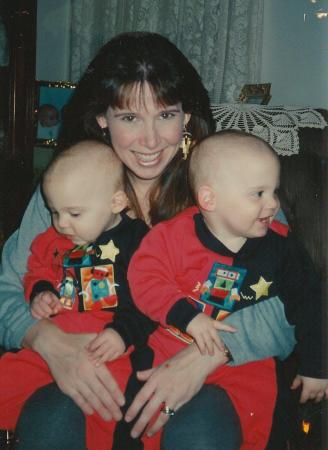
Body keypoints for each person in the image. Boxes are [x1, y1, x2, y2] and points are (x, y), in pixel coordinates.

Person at [0, 32, 296, 450]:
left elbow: (295, 301)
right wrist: (45, 341)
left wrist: (208, 355)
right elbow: (7, 289)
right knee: (49, 420)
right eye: (129, 118)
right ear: (103, 118)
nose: (151, 141)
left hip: (204, 380)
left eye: (166, 115)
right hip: (90, 374)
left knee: (200, 430)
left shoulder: (234, 182)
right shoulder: (67, 188)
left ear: (187, 116)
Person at [127, 130, 328, 449]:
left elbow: (312, 303)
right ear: (209, 199)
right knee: (143, 421)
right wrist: (187, 316)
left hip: (244, 365)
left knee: (257, 427)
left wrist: (317, 366)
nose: (273, 204)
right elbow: (143, 277)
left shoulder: (282, 247)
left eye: (274, 191)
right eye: (258, 193)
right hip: (169, 349)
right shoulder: (172, 236)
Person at [0, 140, 158, 449]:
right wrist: (41, 292)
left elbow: (150, 300)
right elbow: (38, 268)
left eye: (73, 213)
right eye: (55, 212)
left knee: (103, 413)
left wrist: (122, 334)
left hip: (108, 351)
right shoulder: (56, 236)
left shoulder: (138, 241)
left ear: (116, 203)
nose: (60, 223)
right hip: (50, 343)